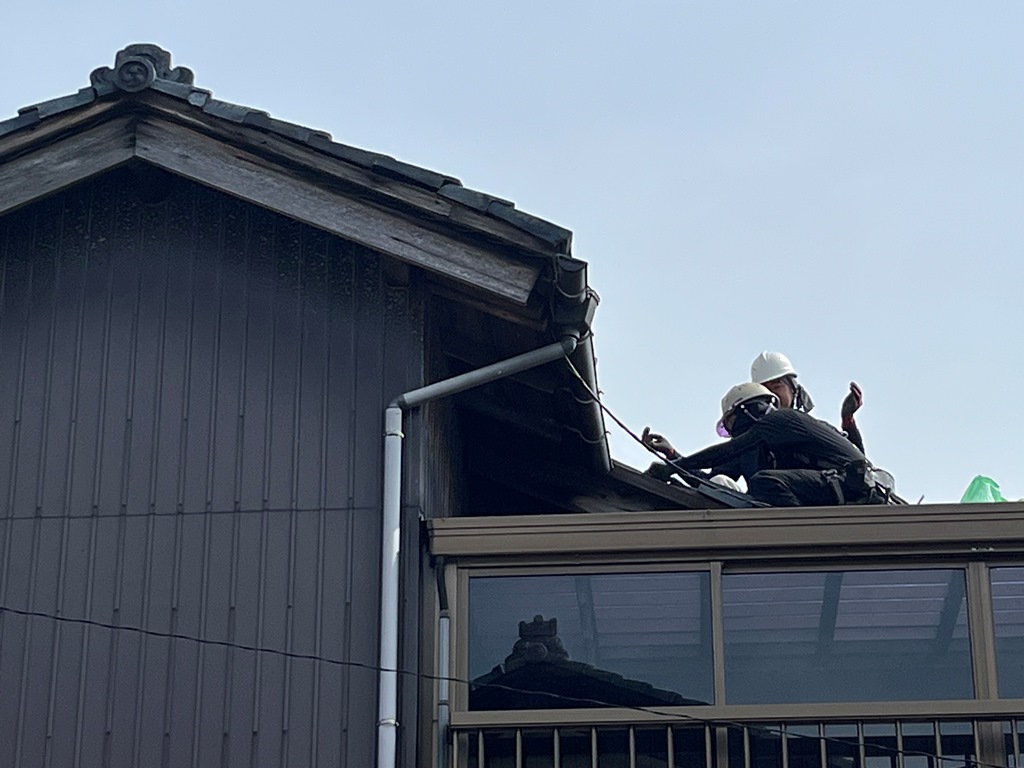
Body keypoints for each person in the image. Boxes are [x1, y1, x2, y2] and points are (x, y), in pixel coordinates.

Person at [643, 382, 890, 507]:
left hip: (852, 488)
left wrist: (670, 469)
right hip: (842, 490)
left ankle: (798, 531)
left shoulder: (781, 420)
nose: (732, 432)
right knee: (761, 487)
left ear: (747, 410)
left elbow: (726, 450)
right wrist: (673, 457)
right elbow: (715, 488)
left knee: (764, 482)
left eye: (731, 423)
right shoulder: (772, 447)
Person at [750, 351, 865, 454]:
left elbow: (858, 464)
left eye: (776, 387)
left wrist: (848, 420)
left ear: (793, 388)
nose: (772, 395)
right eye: (764, 390)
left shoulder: (815, 429)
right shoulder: (753, 438)